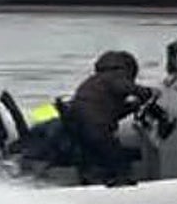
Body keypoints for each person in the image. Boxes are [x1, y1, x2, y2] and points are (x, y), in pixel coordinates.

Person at [66, 50, 154, 185]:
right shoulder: (113, 78)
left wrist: (133, 106)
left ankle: (91, 179)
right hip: (96, 125)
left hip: (80, 123)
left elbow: (111, 110)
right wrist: (148, 92)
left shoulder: (95, 82)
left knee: (94, 155)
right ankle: (122, 184)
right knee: (117, 158)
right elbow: (128, 89)